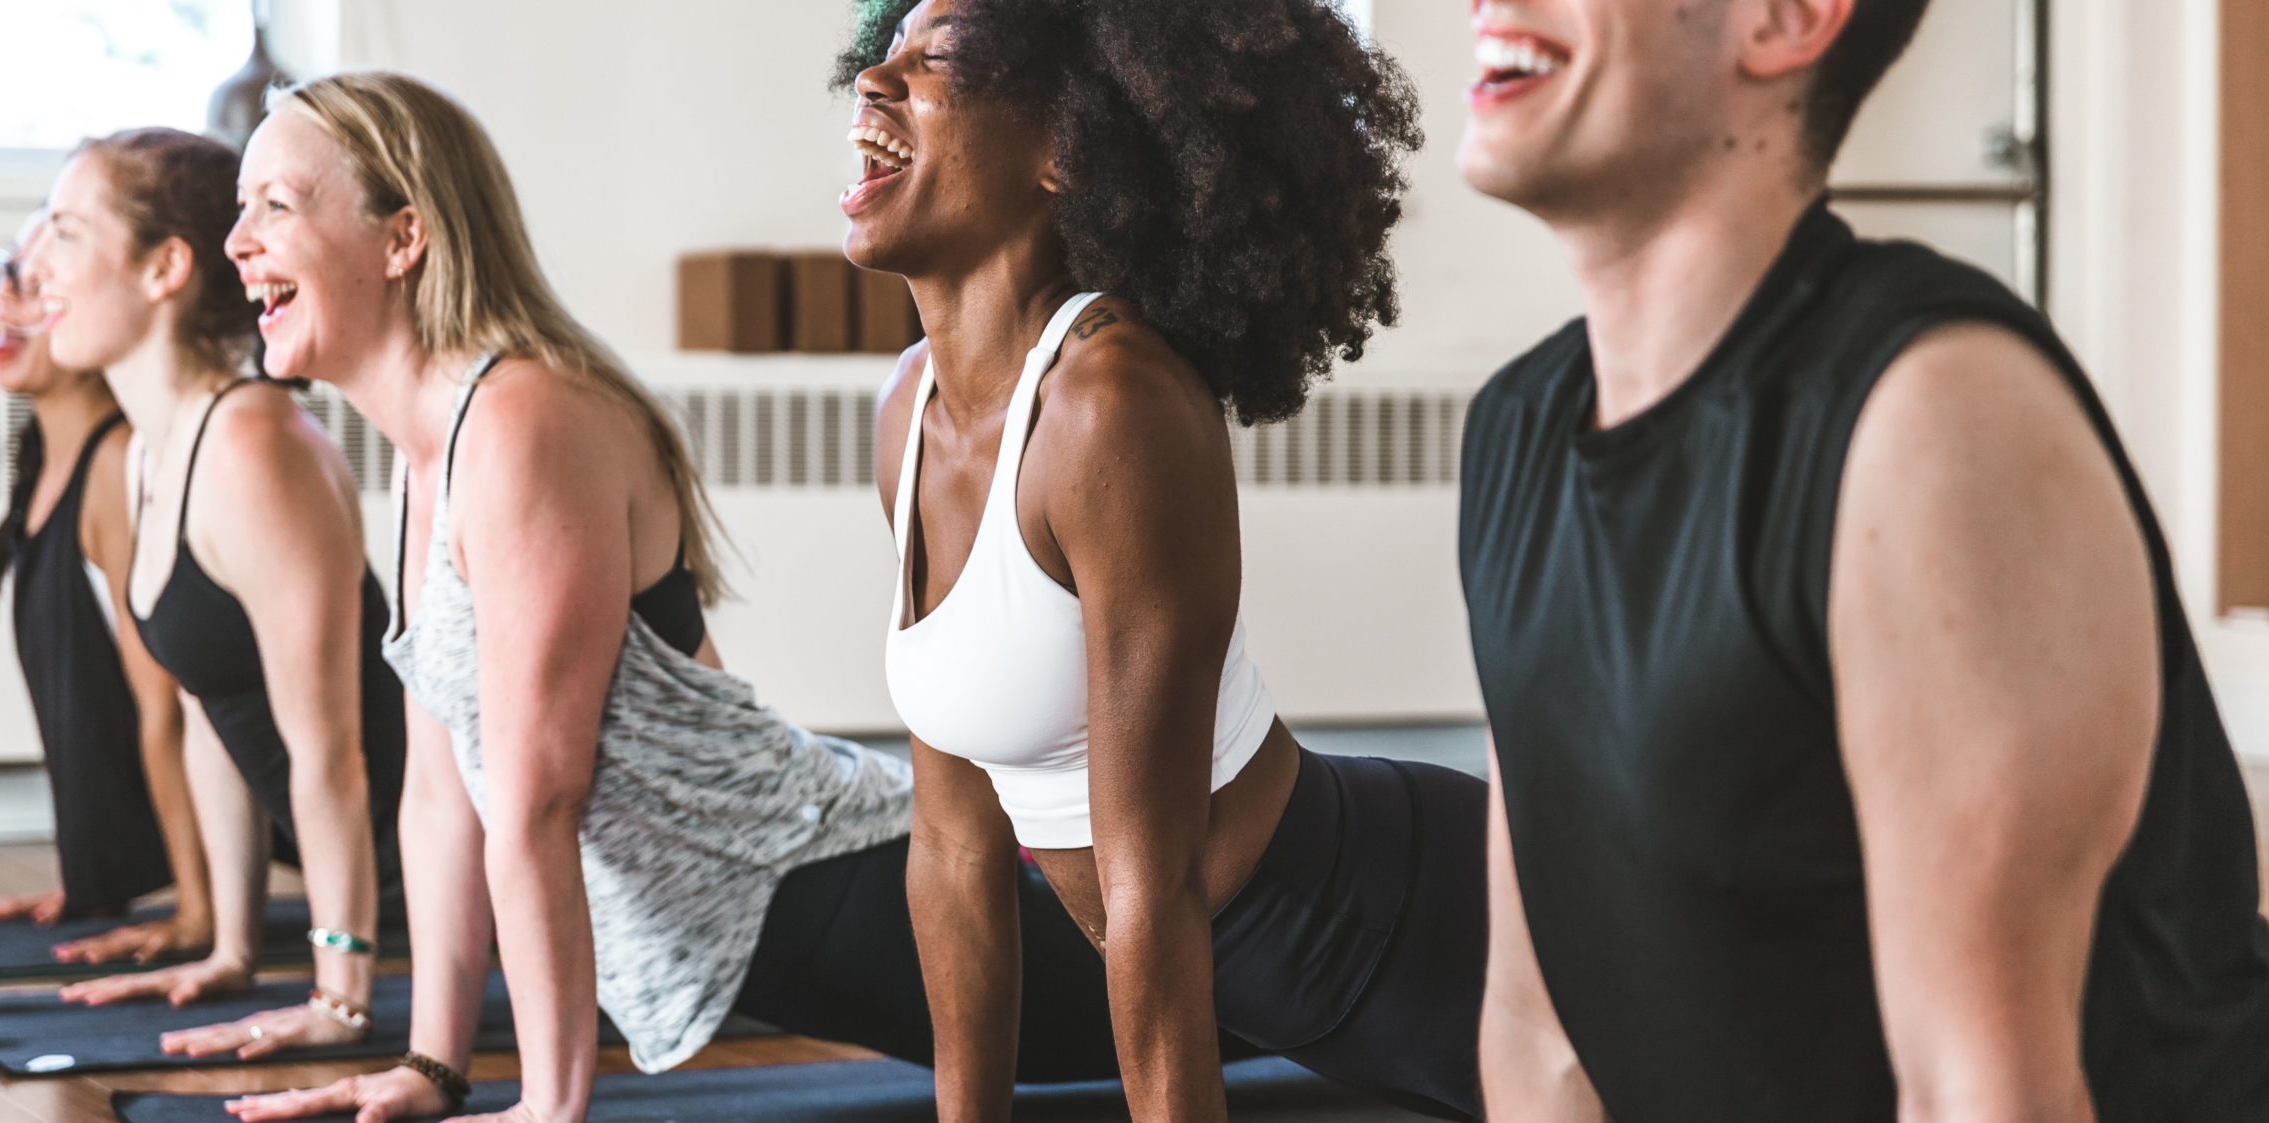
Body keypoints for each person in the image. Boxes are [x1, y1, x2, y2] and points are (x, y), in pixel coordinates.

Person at [216, 72, 1170, 1123]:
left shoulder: (522, 418)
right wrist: (433, 1070)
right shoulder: (421, 454)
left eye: (276, 204)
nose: (238, 241)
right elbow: (446, 792)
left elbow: (540, 794)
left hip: (833, 883)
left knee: (1233, 1001)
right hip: (778, 913)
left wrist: (548, 1105)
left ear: (404, 238)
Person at [1453, 1, 2269, 1119]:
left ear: (1785, 20)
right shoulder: (1517, 430)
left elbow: (1977, 1097)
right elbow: (1537, 1033)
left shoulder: (1930, 417)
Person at [839, 3, 1484, 1120]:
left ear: (1061, 151)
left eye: (933, 57)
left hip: (1387, 926)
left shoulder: (1108, 406)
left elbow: (1157, 881)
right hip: (1258, 968)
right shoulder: (908, 410)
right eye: (880, 49)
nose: (873, 80)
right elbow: (952, 845)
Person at [24, 126, 408, 1060]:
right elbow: (214, 706)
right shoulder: (159, 446)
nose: (36, 265)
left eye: (67, 233)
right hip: (388, 876)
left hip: (463, 875)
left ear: (165, 268)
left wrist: (340, 997)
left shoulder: (251, 443)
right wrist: (232, 947)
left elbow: (335, 754)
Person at [0, 211, 215, 966]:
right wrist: (90, 885)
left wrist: (200, 916)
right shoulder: (49, 459)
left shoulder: (116, 460)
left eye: (33, 285)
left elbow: (166, 704)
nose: (4, 303)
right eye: (4, 275)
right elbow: (83, 701)